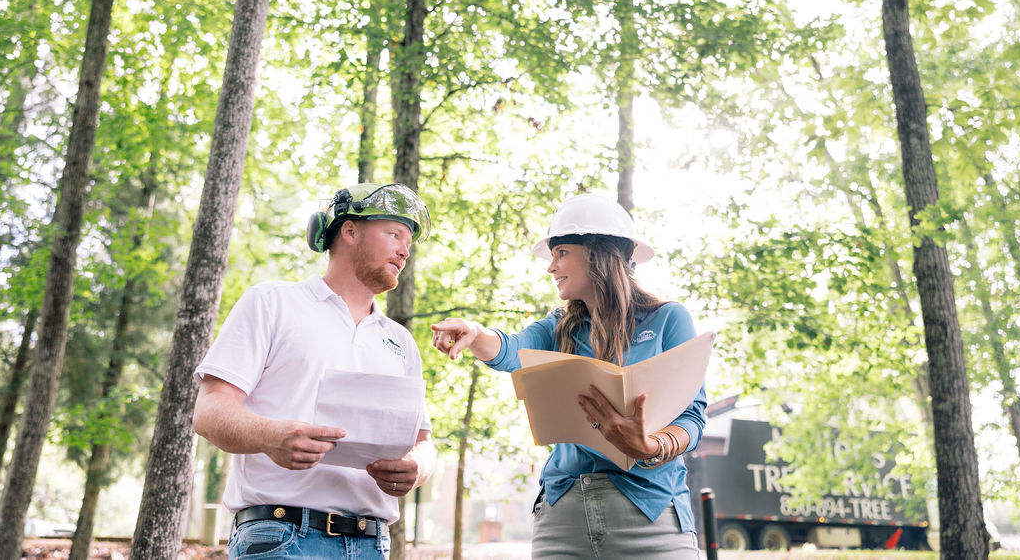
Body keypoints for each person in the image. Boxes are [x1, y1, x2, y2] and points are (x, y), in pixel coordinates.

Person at [431, 194, 707, 558]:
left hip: (651, 515)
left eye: (561, 253)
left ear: (598, 254)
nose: (551, 267)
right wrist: (475, 333)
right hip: (563, 516)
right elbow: (514, 350)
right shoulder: (559, 327)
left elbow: (693, 416)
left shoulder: (669, 320)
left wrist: (652, 448)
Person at [193, 182, 437, 560]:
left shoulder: (400, 341)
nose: (404, 250)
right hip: (280, 538)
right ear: (350, 231)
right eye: (393, 233)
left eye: (409, 241)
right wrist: (270, 435)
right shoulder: (272, 303)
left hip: (373, 544)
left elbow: (423, 441)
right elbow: (208, 410)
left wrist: (417, 466)